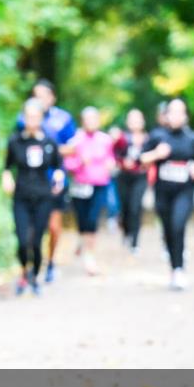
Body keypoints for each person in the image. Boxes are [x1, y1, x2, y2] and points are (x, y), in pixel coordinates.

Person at [140, 99, 194, 291]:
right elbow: (141, 159)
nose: (177, 116)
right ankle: (174, 268)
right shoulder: (157, 136)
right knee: (169, 230)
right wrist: (156, 154)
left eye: (181, 112)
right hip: (163, 193)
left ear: (186, 116)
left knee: (178, 225)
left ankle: (179, 270)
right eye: (173, 112)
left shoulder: (193, 138)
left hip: (185, 191)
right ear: (167, 115)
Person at [2, 99, 65, 296]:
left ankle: (35, 277)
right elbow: (6, 167)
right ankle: (23, 272)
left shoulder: (49, 142)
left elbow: (58, 167)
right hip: (21, 196)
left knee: (36, 241)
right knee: (22, 240)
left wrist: (58, 178)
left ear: (41, 118)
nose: (31, 120)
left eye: (35, 116)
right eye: (28, 116)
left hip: (43, 196)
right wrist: (6, 178)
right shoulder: (15, 141)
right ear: (23, 118)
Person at [16, 79, 76, 283]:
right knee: (30, 230)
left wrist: (47, 150)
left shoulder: (63, 119)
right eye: (35, 95)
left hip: (53, 180)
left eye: (43, 95)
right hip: (28, 184)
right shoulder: (23, 119)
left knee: (53, 227)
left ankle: (51, 262)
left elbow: (73, 146)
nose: (39, 99)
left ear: (52, 97)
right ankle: (30, 266)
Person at [60, 107, 116, 276]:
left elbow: (111, 157)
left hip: (99, 184)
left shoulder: (105, 140)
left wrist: (111, 164)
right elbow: (67, 164)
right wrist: (80, 163)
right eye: (87, 119)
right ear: (83, 121)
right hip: (80, 186)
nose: (91, 122)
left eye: (94, 119)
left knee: (93, 219)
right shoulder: (75, 141)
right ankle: (82, 241)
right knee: (82, 219)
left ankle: (89, 256)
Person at [113, 109, 151, 254]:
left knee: (136, 207)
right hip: (124, 176)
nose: (135, 123)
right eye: (132, 119)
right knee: (125, 208)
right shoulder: (122, 138)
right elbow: (114, 154)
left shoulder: (148, 139)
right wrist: (122, 162)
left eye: (138, 119)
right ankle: (126, 233)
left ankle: (135, 242)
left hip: (140, 176)